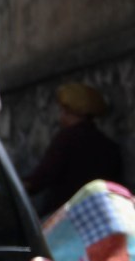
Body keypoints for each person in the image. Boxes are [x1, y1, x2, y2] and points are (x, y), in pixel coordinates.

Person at [25, 82, 126, 216]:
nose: (60, 116)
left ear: (69, 112)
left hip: (67, 219)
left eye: (63, 110)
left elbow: (42, 178)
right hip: (101, 216)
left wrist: (19, 187)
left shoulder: (66, 139)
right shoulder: (109, 146)